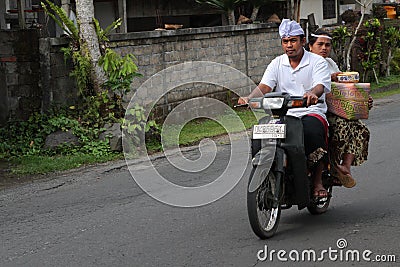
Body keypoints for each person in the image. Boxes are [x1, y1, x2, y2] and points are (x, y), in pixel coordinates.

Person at [238, 19, 331, 198]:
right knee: (261, 133)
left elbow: (320, 85)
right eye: (285, 41)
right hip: (282, 113)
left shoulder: (317, 62)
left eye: (293, 40)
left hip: (310, 111)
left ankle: (317, 180)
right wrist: (249, 98)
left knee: (312, 132)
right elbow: (265, 86)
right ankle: (267, 171)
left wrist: (312, 94)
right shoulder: (277, 63)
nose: (289, 45)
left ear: (302, 41)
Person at [308, 29, 372, 188]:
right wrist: (331, 77)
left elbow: (345, 89)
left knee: (361, 129)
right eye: (320, 44)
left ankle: (345, 167)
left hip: (337, 108)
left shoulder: (330, 63)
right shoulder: (306, 63)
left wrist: (363, 99)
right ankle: (332, 166)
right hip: (318, 110)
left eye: (327, 45)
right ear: (310, 46)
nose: (324, 48)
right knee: (342, 127)